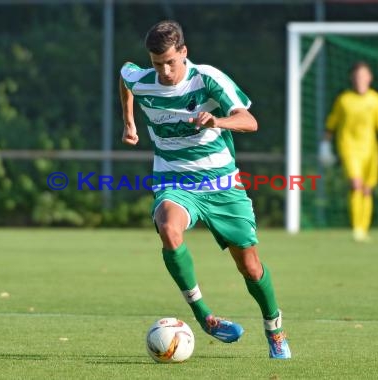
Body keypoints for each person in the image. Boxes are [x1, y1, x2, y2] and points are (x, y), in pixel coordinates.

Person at [118, 20, 290, 359]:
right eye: (157, 63)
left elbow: (249, 121)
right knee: (168, 229)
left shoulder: (207, 78)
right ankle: (204, 316)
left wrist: (218, 121)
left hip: (223, 185)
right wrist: (129, 122)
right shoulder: (142, 79)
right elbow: (125, 77)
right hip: (175, 182)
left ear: (184, 52)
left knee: (251, 268)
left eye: (170, 61)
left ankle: (275, 330)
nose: (165, 70)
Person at [319, 61, 378, 243]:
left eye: (363, 76)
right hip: (349, 147)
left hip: (370, 149)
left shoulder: (376, 99)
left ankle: (364, 229)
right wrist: (325, 145)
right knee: (356, 184)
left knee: (367, 188)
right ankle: (357, 229)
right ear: (352, 78)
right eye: (357, 76)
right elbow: (331, 124)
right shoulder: (344, 99)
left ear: (370, 78)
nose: (360, 79)